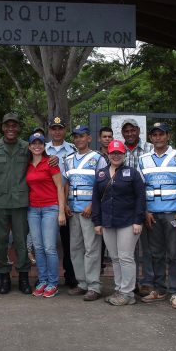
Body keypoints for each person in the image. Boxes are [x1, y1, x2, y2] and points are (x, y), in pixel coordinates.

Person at [139, 123, 176, 309]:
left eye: (161, 134)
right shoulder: (143, 159)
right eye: (154, 135)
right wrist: (145, 211)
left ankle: (175, 291)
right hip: (152, 214)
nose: (158, 138)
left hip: (172, 213)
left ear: (168, 136)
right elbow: (141, 187)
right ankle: (159, 289)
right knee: (156, 254)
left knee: (174, 254)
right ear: (151, 138)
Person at [92, 140, 146, 306]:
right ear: (108, 154)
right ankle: (120, 289)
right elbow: (96, 199)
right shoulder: (101, 174)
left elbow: (140, 198)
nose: (116, 156)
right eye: (113, 153)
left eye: (119, 153)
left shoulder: (132, 173)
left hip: (128, 222)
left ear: (124, 155)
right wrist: (97, 222)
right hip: (108, 222)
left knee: (125, 257)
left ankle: (128, 293)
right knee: (115, 258)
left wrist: (138, 220)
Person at [0, 113, 32, 294]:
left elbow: (38, 167)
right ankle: (3, 276)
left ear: (18, 128)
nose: (11, 129)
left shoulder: (27, 147)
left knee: (21, 242)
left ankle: (23, 277)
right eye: (7, 125)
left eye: (14, 125)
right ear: (2, 128)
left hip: (20, 202)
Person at [63, 126, 107, 301]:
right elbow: (66, 183)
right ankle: (82, 283)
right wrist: (65, 203)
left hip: (89, 211)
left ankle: (94, 286)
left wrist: (93, 205)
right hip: (73, 210)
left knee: (91, 249)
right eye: (76, 137)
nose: (79, 139)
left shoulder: (98, 158)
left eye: (82, 136)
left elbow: (103, 185)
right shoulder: (68, 159)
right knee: (75, 248)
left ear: (89, 138)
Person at [25, 131, 67, 298]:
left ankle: (53, 282)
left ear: (44, 146)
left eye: (40, 143)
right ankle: (42, 280)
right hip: (33, 210)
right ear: (29, 146)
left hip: (50, 208)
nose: (37, 146)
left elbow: (60, 188)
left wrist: (61, 212)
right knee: (38, 247)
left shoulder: (50, 162)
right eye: (34, 143)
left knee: (49, 247)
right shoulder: (27, 164)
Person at [120, 118, 155, 297]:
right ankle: (130, 283)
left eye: (132, 130)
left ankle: (148, 282)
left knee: (148, 246)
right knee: (128, 249)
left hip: (147, 203)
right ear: (122, 133)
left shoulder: (150, 148)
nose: (130, 134)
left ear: (139, 131)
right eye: (126, 131)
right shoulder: (119, 150)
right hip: (126, 206)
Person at [46, 116, 77, 289]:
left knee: (69, 241)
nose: (57, 132)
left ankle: (70, 275)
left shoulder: (73, 149)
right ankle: (48, 276)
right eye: (54, 128)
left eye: (60, 128)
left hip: (67, 200)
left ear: (65, 130)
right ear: (50, 130)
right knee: (48, 242)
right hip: (47, 199)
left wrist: (65, 203)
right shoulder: (42, 148)